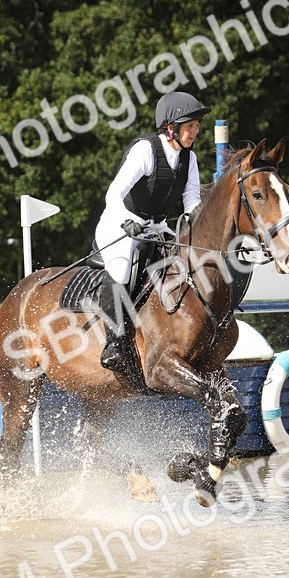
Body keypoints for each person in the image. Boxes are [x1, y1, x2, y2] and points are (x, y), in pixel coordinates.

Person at [95, 90, 210, 372]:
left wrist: (191, 222)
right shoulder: (146, 150)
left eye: (196, 125)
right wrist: (126, 221)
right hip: (120, 223)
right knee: (122, 271)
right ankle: (115, 343)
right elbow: (114, 194)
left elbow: (192, 199)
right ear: (170, 127)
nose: (195, 131)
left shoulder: (189, 159)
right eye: (190, 125)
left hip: (157, 227)